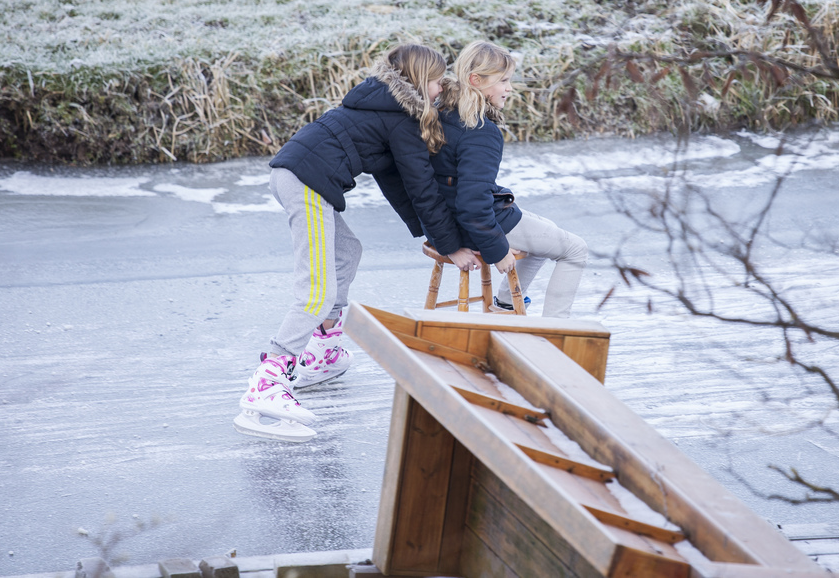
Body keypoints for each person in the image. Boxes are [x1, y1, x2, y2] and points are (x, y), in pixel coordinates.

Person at [235, 44, 482, 441]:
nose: (441, 89)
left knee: (347, 252)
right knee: (316, 290)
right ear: (420, 80)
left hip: (293, 174)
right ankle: (269, 380)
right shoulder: (401, 120)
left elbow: (398, 186)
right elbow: (421, 190)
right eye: (437, 81)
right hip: (307, 181)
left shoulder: (381, 106)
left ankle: (325, 349)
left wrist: (434, 235)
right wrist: (451, 245)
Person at [429, 40, 588, 318]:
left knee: (547, 230)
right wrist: (497, 249)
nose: (509, 88)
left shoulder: (440, 115)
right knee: (575, 249)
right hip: (473, 226)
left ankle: (504, 304)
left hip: (446, 220)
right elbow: (473, 203)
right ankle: (557, 328)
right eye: (503, 80)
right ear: (475, 80)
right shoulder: (479, 130)